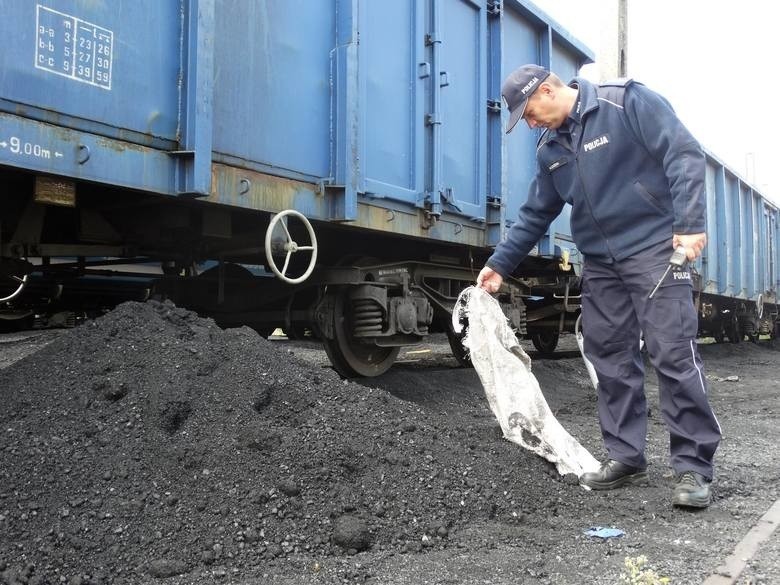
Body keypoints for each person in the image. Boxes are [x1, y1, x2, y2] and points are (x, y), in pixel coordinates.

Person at [476, 64, 721, 508]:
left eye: (529, 113)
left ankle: (693, 465)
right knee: (608, 356)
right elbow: (536, 213)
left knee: (672, 353)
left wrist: (689, 224)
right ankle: (626, 455)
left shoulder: (624, 102)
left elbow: (683, 153)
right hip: (602, 264)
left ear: (547, 90)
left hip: (653, 252)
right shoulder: (550, 149)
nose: (529, 124)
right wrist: (499, 264)